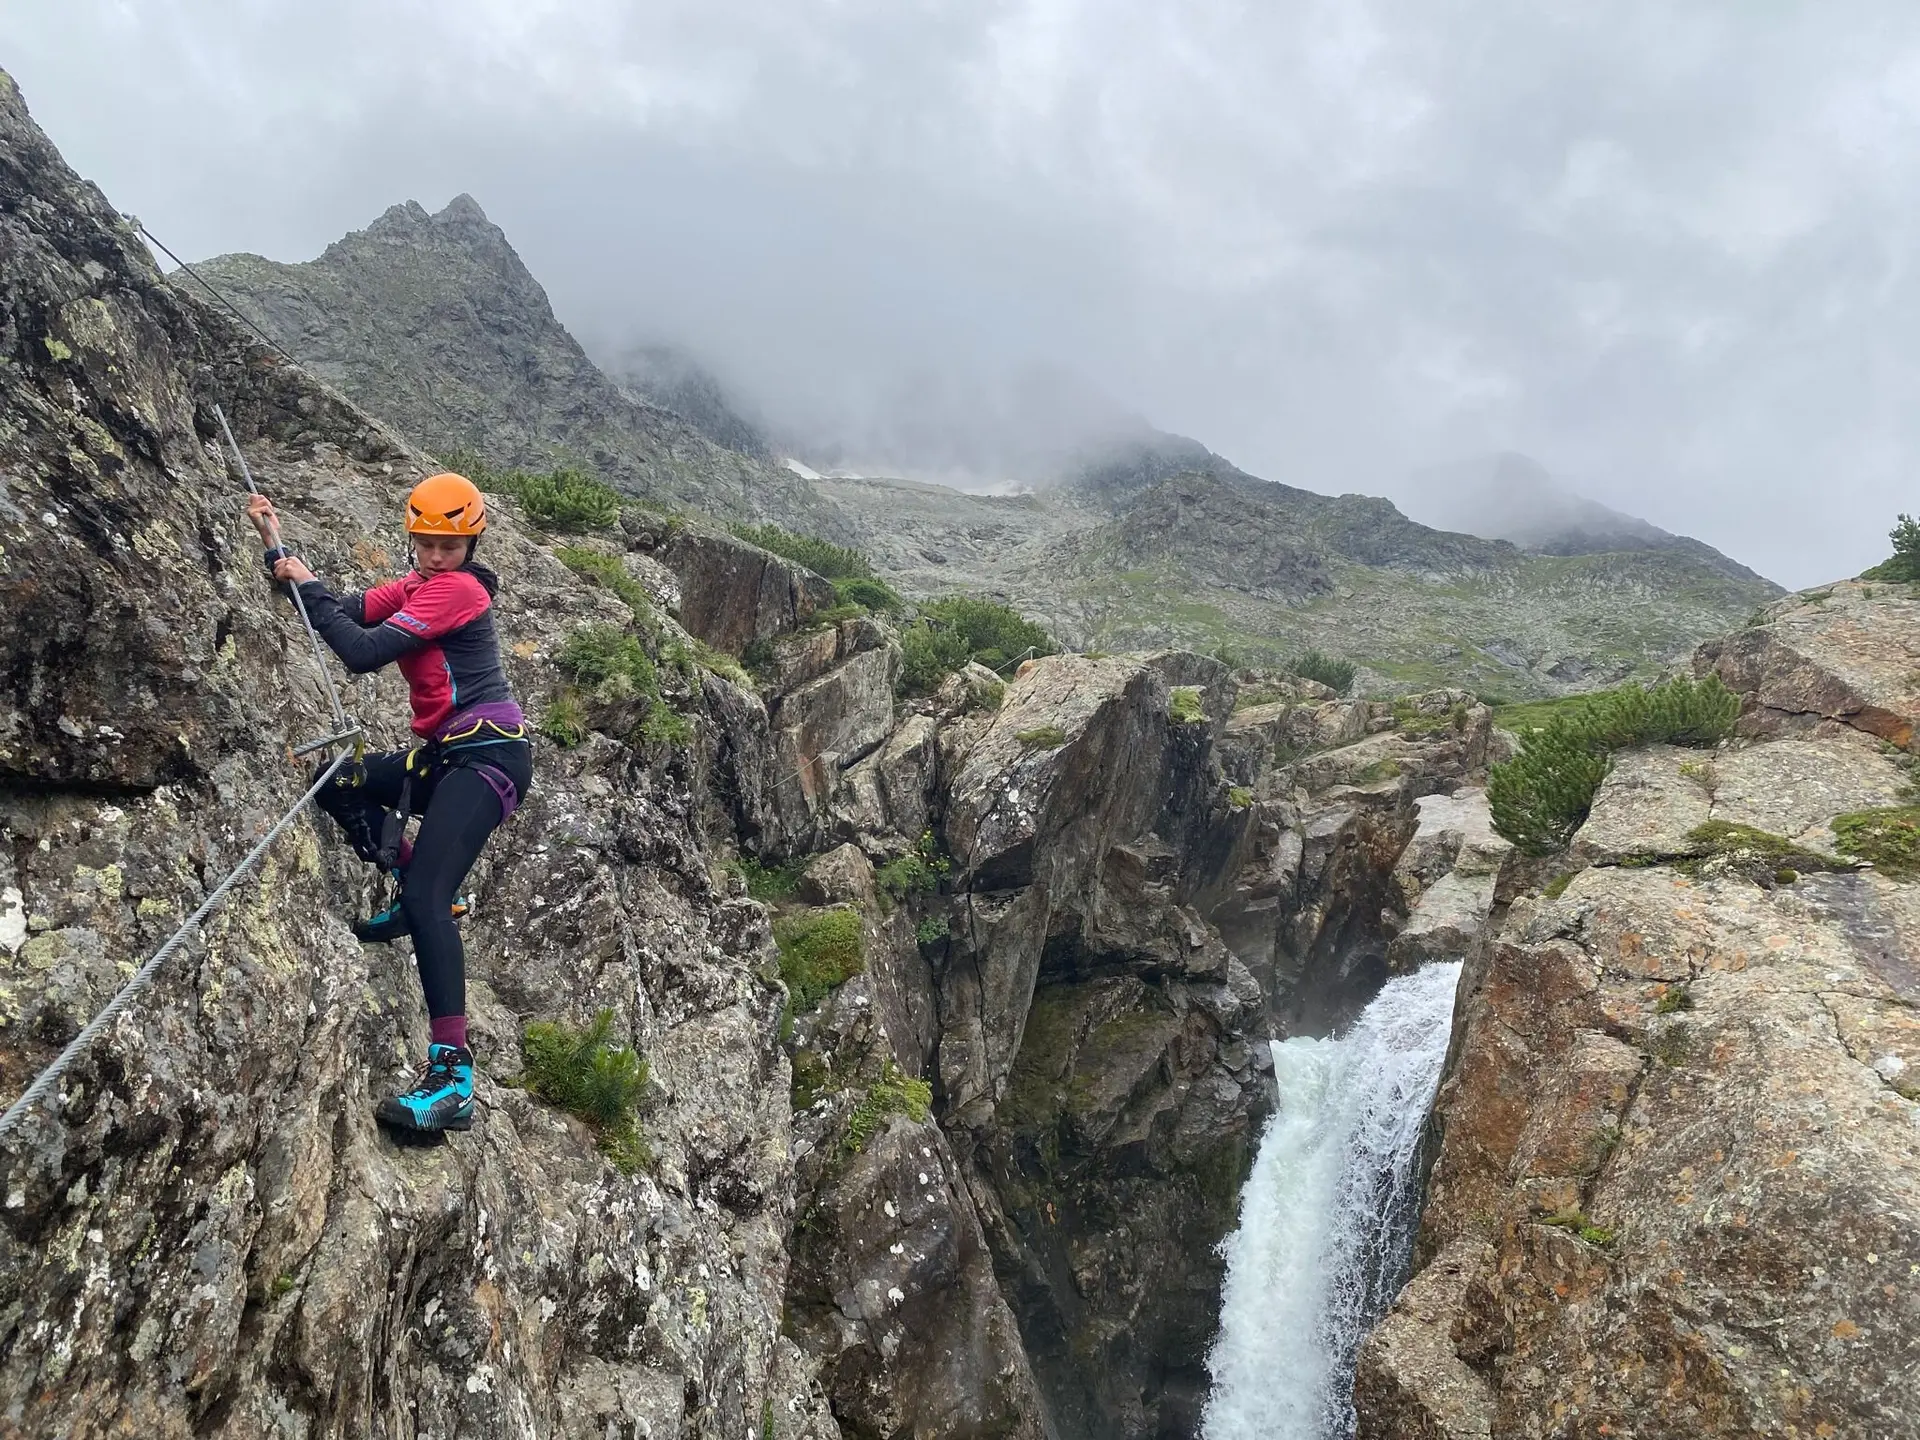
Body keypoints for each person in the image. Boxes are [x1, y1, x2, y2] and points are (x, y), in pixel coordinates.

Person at [246, 473, 532, 1135]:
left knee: (434, 901)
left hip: (488, 755)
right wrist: (276, 551)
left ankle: (454, 1079)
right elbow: (338, 609)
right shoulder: (416, 587)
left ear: (470, 544)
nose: (436, 555)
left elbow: (360, 651)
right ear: (413, 538)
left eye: (450, 544)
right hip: (444, 757)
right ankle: (414, 881)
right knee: (336, 781)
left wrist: (310, 586)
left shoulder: (458, 591)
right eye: (426, 543)